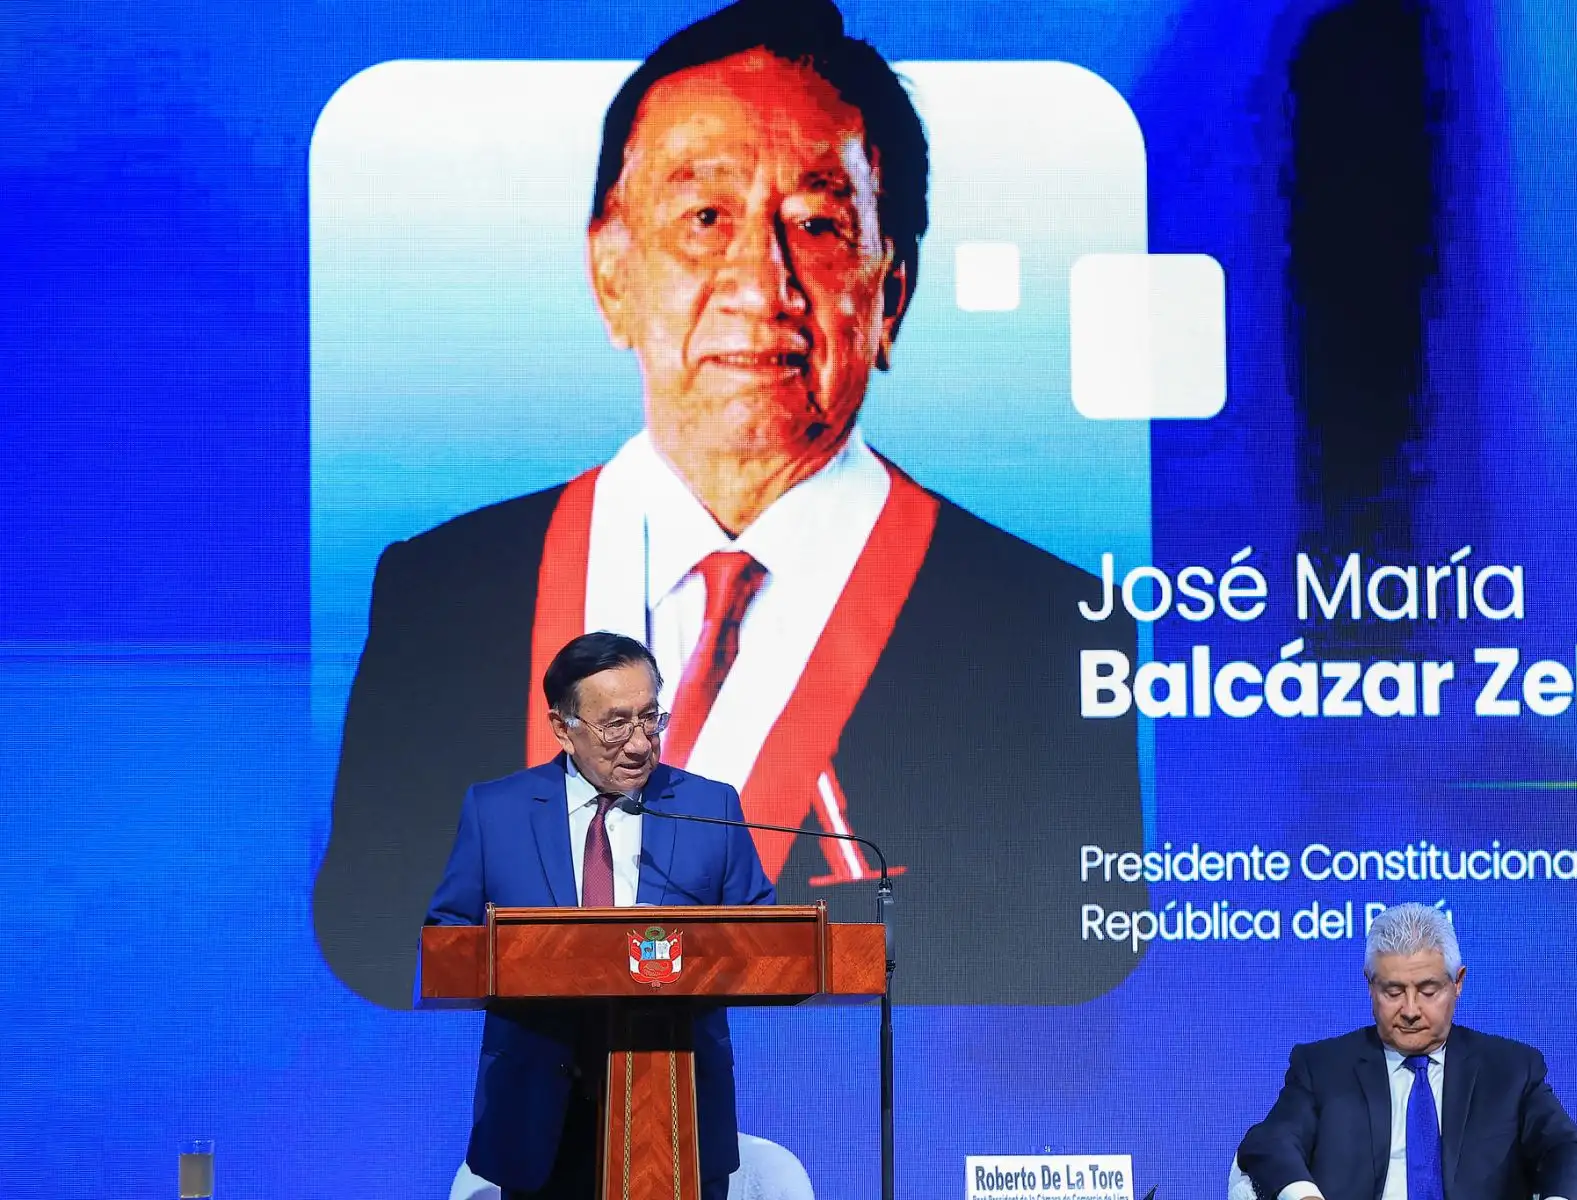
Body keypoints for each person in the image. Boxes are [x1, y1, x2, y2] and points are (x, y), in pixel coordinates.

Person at [313, 0, 1145, 1012]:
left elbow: (1067, 980)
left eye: (820, 224)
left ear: (892, 293)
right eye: (705, 219)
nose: (761, 281)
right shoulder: (442, 592)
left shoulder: (1044, 626)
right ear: (610, 272)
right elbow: (364, 952)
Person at [427, 632, 777, 1200]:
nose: (640, 745)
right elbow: (449, 940)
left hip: (676, 1105)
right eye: (616, 724)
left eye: (650, 719)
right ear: (563, 727)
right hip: (541, 1109)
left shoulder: (709, 807)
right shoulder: (497, 811)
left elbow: (767, 940)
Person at [1237, 904, 1577, 1200]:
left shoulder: (1510, 1070)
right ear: (1370, 986)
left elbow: (1568, 1148)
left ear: (1457, 983)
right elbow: (1271, 1141)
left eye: (1427, 991)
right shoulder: (1322, 1068)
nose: (1410, 1010)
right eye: (1393, 992)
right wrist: (1304, 1198)